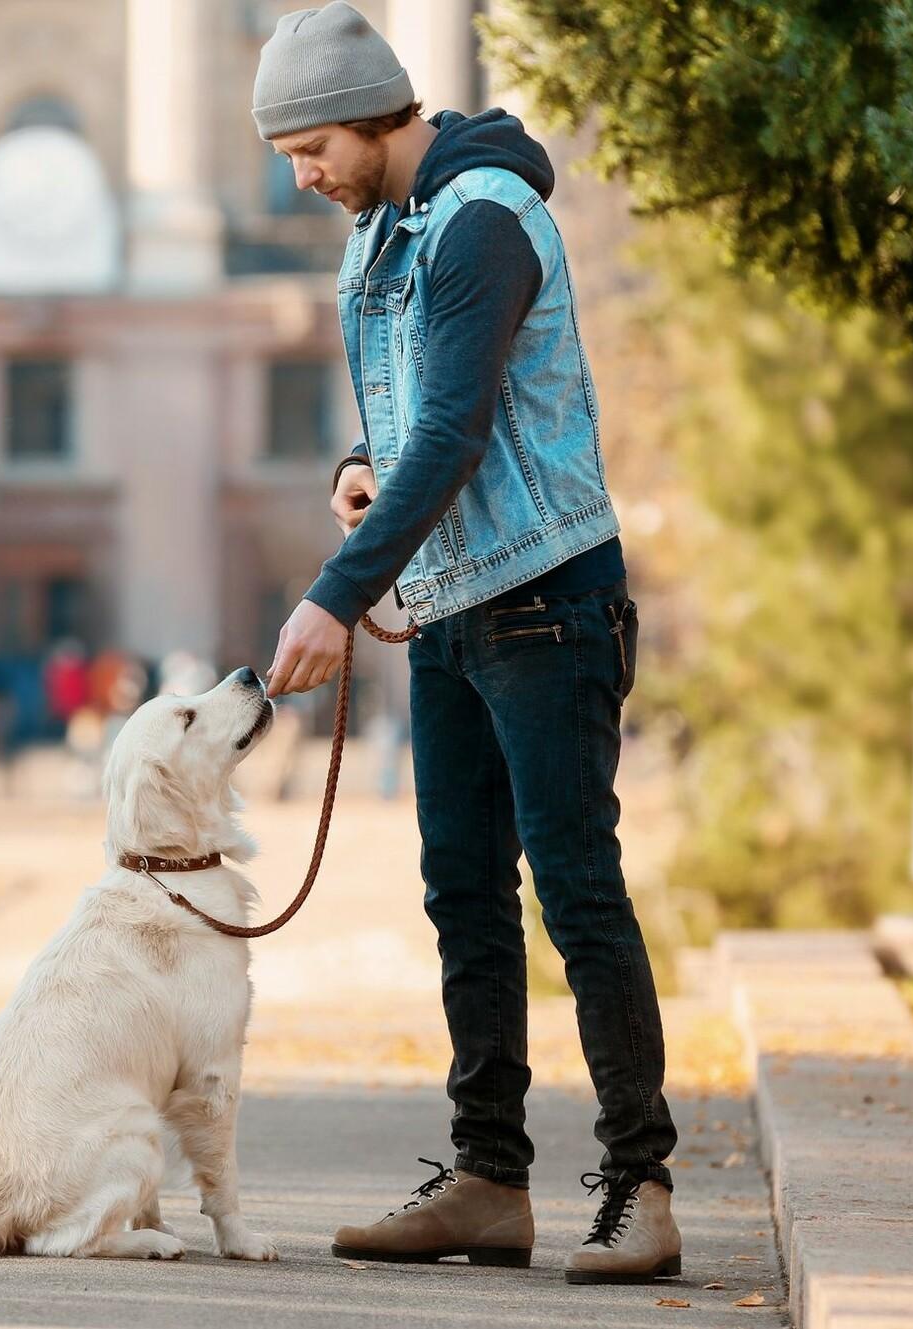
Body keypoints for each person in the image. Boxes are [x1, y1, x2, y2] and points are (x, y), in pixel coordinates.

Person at [252, 3, 678, 1284]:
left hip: (547, 602)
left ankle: (640, 1185)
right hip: (449, 606)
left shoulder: (482, 214)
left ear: (377, 113)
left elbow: (458, 433)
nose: (302, 176)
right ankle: (491, 1177)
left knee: (577, 893)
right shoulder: (383, 228)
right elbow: (413, 424)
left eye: (311, 146)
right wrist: (356, 469)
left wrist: (332, 596)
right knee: (463, 900)